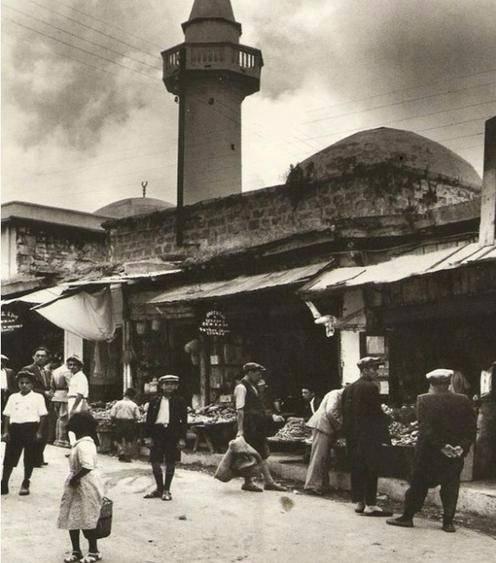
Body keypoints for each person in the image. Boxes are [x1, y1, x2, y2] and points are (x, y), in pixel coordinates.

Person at [387, 369, 477, 533]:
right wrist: (461, 447)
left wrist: (442, 446)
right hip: (454, 454)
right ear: (448, 383)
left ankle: (408, 517)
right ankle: (448, 523)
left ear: (431, 384)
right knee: (451, 486)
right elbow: (470, 428)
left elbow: (426, 429)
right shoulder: (463, 400)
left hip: (429, 453)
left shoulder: (424, 400)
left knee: (418, 485)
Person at [342, 356, 392, 516]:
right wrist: (388, 419)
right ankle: (371, 504)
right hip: (369, 435)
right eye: (374, 369)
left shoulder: (349, 389)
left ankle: (359, 502)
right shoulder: (370, 387)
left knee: (357, 468)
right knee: (371, 468)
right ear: (364, 370)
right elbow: (376, 413)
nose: (376, 372)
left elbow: (345, 413)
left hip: (353, 436)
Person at [57, 412, 105, 563]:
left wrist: (75, 478)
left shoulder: (84, 445)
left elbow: (87, 466)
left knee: (87, 516)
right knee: (73, 516)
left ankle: (94, 551)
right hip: (77, 483)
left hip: (85, 484)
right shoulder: (81, 443)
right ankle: (76, 550)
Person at [234, 362, 287, 493]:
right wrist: (240, 430)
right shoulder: (241, 387)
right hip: (248, 425)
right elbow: (240, 410)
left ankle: (267, 482)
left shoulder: (253, 386)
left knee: (260, 453)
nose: (260, 376)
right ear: (250, 373)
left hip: (256, 425)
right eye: (258, 373)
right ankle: (250, 482)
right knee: (252, 454)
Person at [1, 370, 48, 496]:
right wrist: (5, 432)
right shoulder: (13, 397)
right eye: (21, 383)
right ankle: (4, 483)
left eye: (27, 383)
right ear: (18, 384)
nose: (24, 385)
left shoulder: (38, 397)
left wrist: (39, 432)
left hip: (31, 428)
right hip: (15, 429)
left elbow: (42, 416)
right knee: (9, 458)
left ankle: (26, 482)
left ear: (32, 384)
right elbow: (6, 415)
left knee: (29, 457)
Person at [143, 375, 187, 501]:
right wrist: (147, 436)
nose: (169, 386)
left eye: (172, 384)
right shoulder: (154, 400)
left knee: (170, 461)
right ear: (161, 386)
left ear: (176, 386)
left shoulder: (180, 401)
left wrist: (182, 438)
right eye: (166, 384)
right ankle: (159, 488)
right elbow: (149, 420)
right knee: (155, 461)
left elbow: (184, 421)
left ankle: (167, 489)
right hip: (157, 432)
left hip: (173, 433)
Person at [304, 386, 344, 495]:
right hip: (323, 426)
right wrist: (341, 425)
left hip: (326, 427)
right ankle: (313, 485)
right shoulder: (336, 394)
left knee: (324, 458)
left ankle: (323, 484)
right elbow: (331, 412)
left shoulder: (337, 394)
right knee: (319, 457)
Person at [21, 346, 52, 466]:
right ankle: (33, 458)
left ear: (47, 358)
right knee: (34, 429)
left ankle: (39, 456)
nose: (40, 358)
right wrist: (44, 392)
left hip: (45, 403)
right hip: (32, 403)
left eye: (43, 356)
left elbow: (48, 386)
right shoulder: (28, 369)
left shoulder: (47, 371)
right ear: (33, 356)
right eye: (38, 355)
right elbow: (27, 386)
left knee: (44, 431)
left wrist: (50, 393)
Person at [110, 388, 141, 462]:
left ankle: (121, 451)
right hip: (130, 423)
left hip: (119, 422)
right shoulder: (134, 405)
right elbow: (138, 417)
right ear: (133, 396)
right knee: (129, 440)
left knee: (118, 439)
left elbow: (112, 414)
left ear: (125, 394)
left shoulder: (118, 403)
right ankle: (127, 455)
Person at [51, 358, 72, 447]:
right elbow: (71, 384)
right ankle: (62, 439)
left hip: (56, 395)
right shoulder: (67, 371)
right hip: (64, 395)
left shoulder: (55, 371)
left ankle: (58, 438)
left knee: (59, 418)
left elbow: (52, 385)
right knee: (64, 418)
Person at [1, 354, 16, 419]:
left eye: (3, 361)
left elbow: (14, 384)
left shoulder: (10, 371)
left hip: (7, 393)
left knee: (7, 411)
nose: (1, 363)